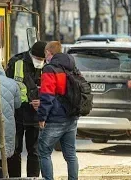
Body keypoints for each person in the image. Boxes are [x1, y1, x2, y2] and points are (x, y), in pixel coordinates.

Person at [37, 41, 79, 180]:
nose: (45, 56)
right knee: (71, 154)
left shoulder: (50, 69)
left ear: (49, 53)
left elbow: (47, 95)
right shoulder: (72, 66)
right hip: (72, 116)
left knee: (43, 151)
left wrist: (42, 116)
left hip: (56, 117)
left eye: (45, 53)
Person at [6, 41, 47, 177]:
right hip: (16, 113)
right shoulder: (16, 62)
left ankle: (33, 177)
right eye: (39, 59)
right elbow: (7, 85)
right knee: (14, 150)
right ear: (32, 55)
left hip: (35, 115)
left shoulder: (47, 66)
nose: (41, 61)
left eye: (43, 59)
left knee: (34, 151)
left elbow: (51, 90)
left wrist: (43, 102)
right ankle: (15, 178)